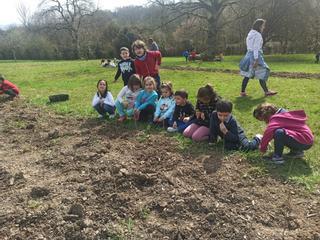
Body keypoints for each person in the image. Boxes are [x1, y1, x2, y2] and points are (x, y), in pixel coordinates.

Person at [239, 19, 277, 97]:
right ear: (259, 26)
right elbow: (255, 48)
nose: (264, 27)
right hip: (255, 56)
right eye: (263, 25)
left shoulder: (250, 34)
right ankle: (266, 92)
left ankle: (242, 92)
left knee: (247, 74)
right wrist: (256, 59)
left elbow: (249, 47)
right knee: (263, 71)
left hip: (248, 55)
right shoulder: (257, 35)